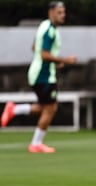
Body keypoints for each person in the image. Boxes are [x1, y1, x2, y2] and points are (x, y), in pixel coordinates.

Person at [1, 1, 77, 153]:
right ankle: (36, 143)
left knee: (45, 106)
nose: (63, 15)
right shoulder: (50, 31)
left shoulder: (43, 26)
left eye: (64, 12)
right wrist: (64, 60)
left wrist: (53, 61)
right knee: (51, 108)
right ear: (51, 12)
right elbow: (43, 54)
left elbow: (35, 47)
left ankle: (14, 109)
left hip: (37, 72)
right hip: (44, 75)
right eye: (59, 12)